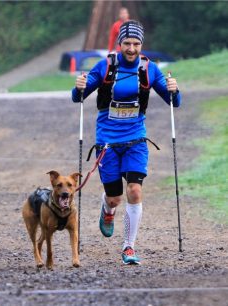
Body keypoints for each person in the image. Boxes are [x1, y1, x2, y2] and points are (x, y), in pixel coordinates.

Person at [72, 20, 181, 265]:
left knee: (134, 190)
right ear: (119, 44)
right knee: (114, 197)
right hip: (107, 142)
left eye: (136, 43)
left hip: (136, 140)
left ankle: (129, 247)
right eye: (127, 43)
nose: (131, 48)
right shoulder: (106, 67)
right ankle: (107, 210)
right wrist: (78, 87)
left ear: (142, 45)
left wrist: (175, 89)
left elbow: (174, 102)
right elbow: (78, 97)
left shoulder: (149, 69)